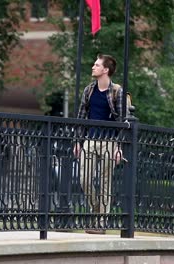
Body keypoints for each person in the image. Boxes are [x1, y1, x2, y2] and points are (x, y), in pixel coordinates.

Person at [73, 54, 123, 232]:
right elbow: (81, 117)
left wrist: (119, 147)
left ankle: (100, 223)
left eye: (96, 65)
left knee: (105, 182)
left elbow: (122, 122)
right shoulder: (89, 90)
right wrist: (78, 141)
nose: (93, 67)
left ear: (106, 70)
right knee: (84, 179)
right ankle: (96, 210)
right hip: (90, 140)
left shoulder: (117, 91)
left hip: (109, 141)